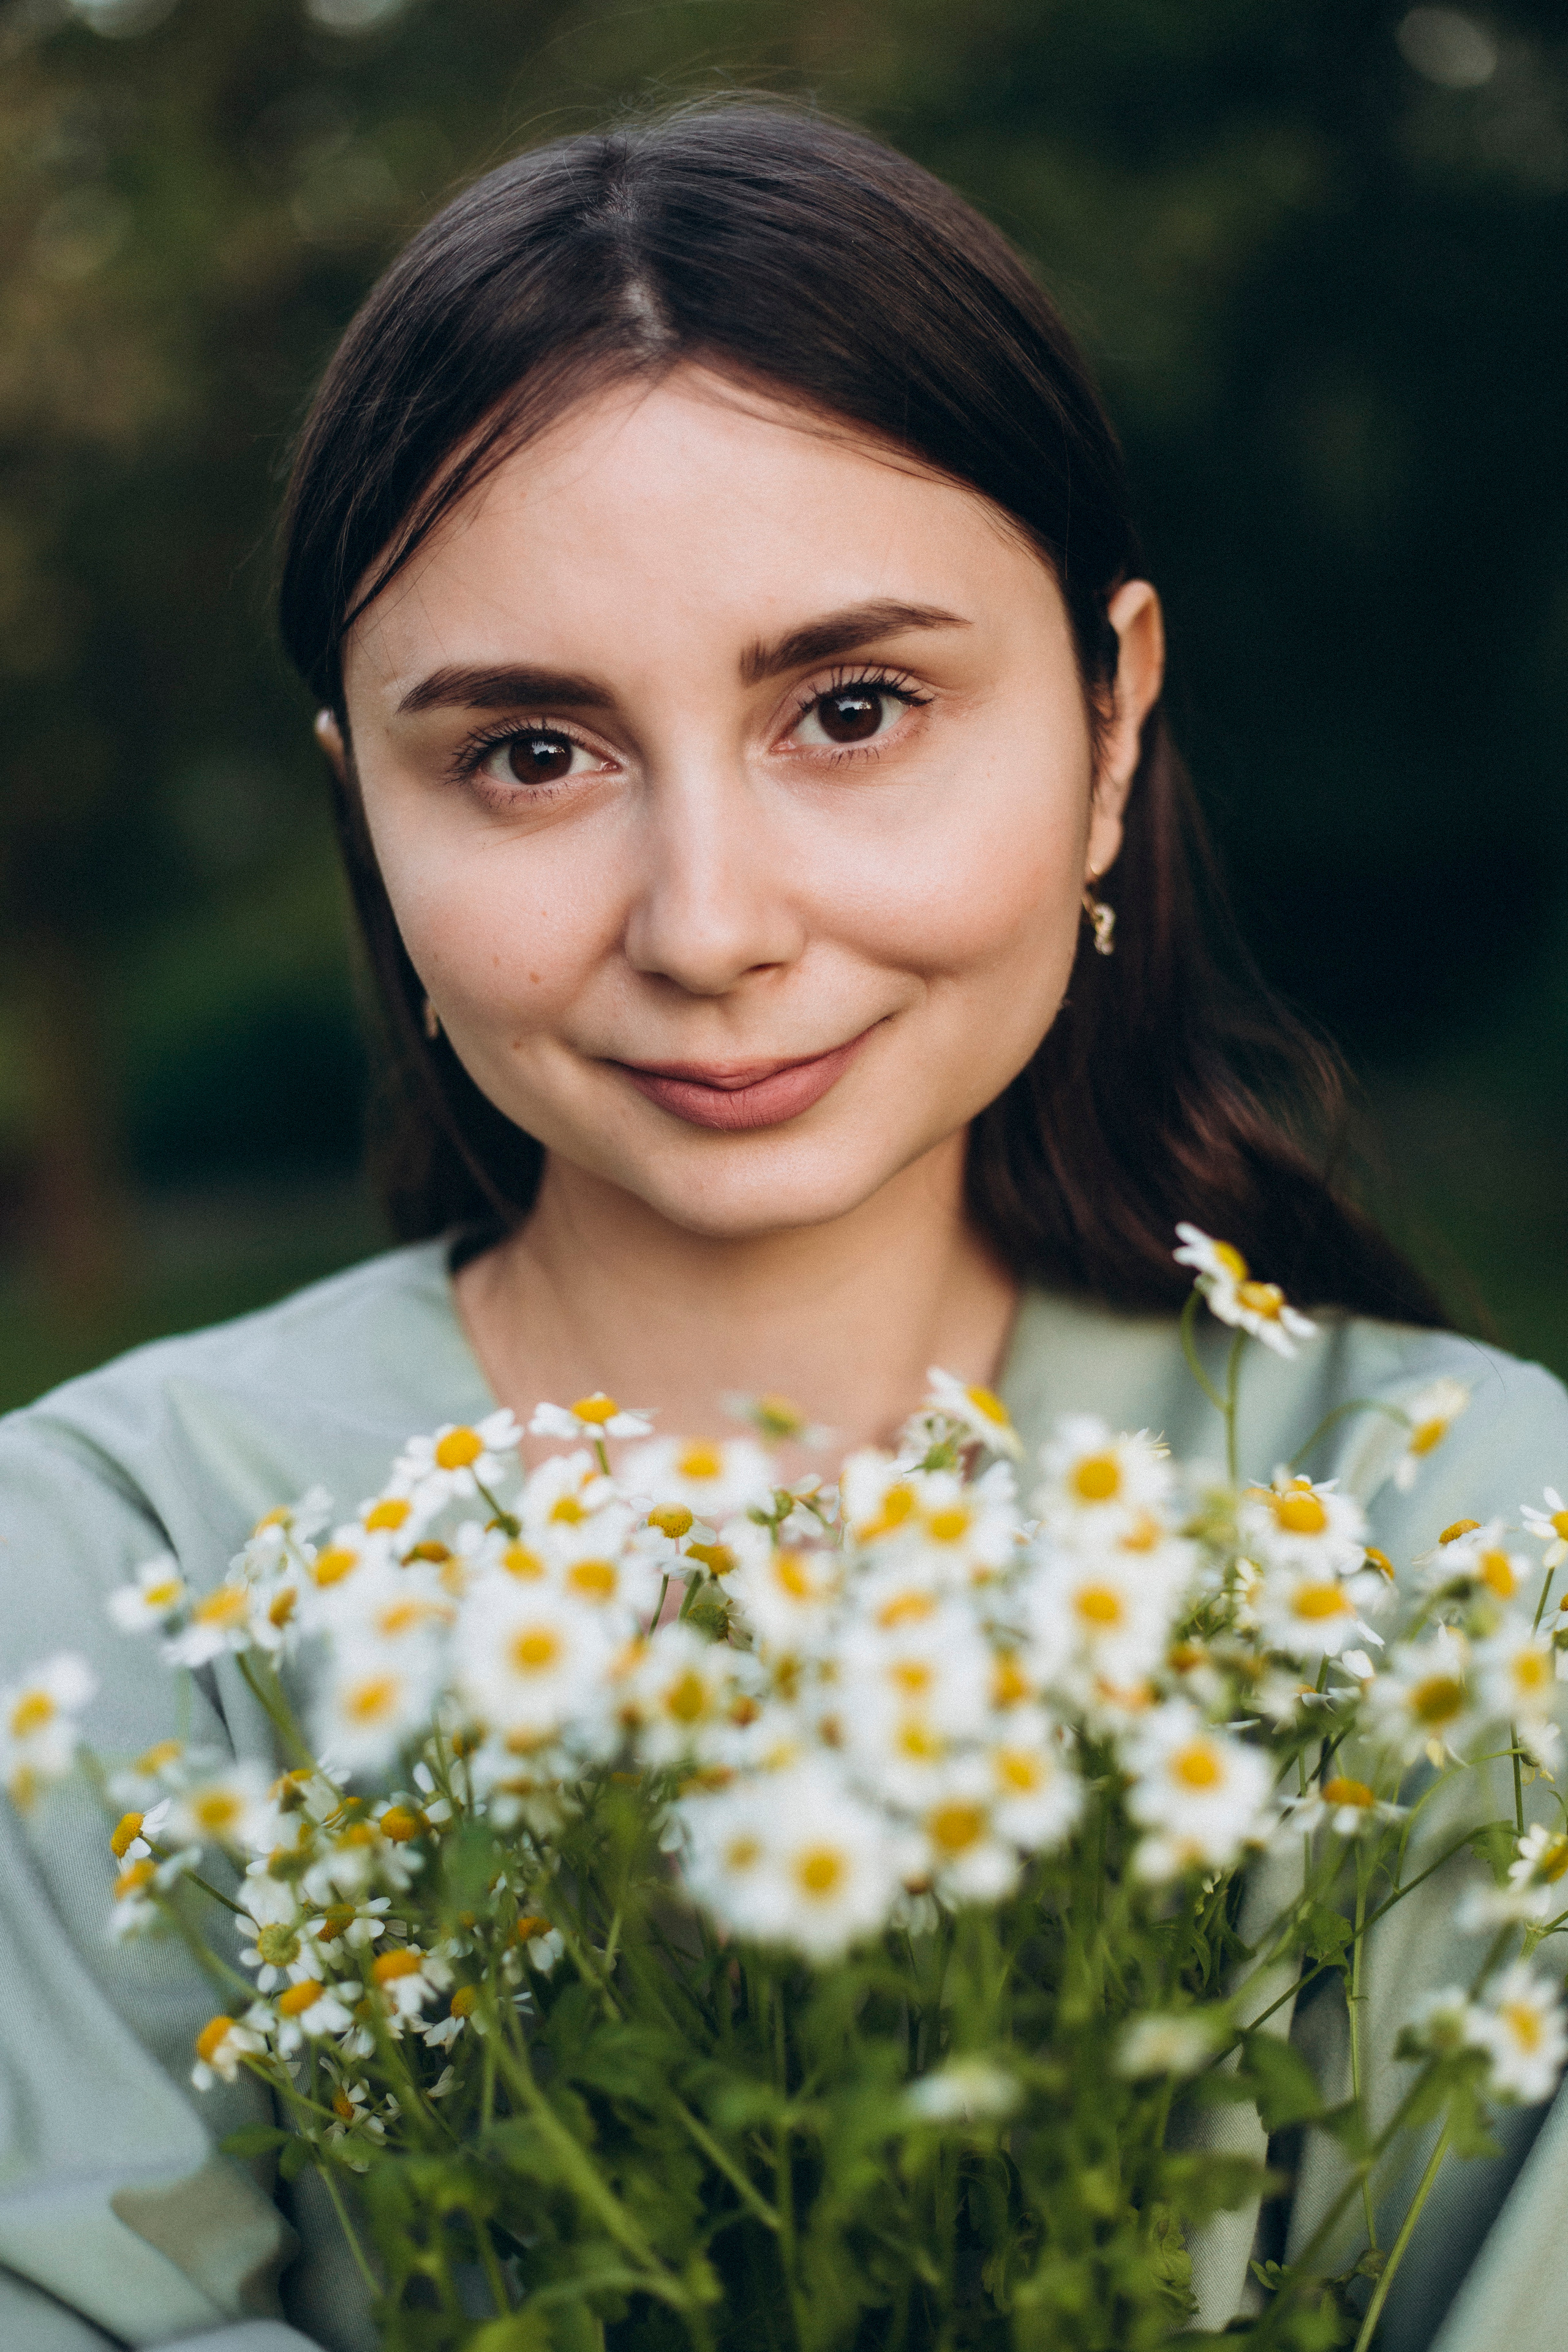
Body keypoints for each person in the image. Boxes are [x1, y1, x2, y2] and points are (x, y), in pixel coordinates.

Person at [1, 99, 1563, 2352]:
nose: (710, 927)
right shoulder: (112, 1602)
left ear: (1112, 721)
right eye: (531, 755)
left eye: (853, 708)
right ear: (366, 809)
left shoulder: (1463, 1555)